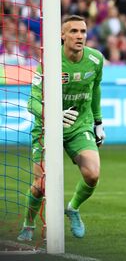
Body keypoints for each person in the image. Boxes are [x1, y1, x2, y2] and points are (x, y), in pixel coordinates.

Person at [18, 15, 106, 241]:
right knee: (42, 185)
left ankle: (73, 208)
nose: (80, 36)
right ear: (62, 35)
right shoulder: (49, 60)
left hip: (79, 126)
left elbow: (95, 91)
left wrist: (98, 122)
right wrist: (53, 115)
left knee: (92, 174)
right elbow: (32, 101)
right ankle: (29, 222)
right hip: (47, 128)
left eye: (83, 31)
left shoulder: (96, 59)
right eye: (74, 31)